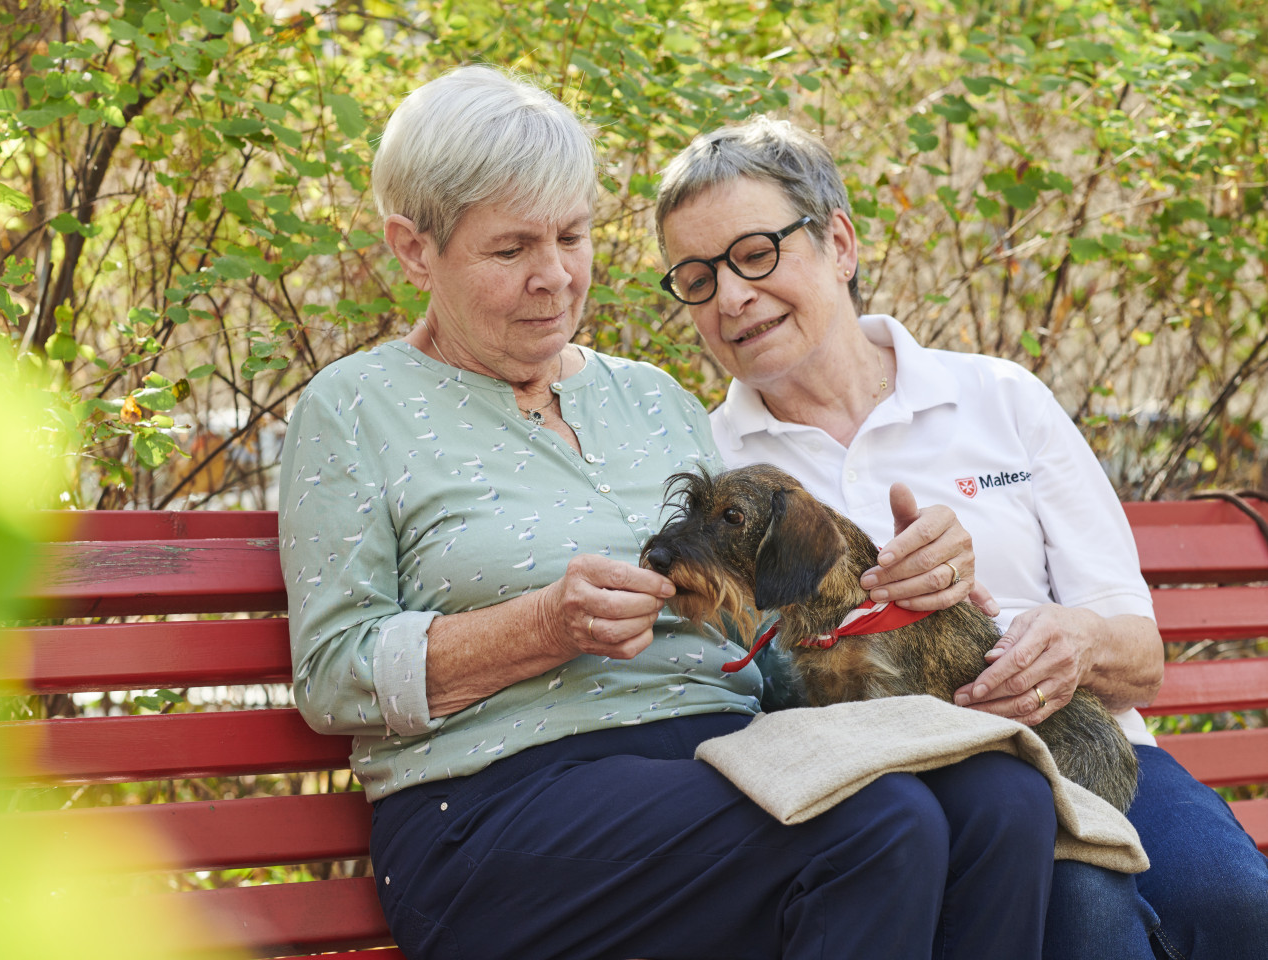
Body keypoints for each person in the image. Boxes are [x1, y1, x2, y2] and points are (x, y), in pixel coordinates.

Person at [278, 65, 1061, 960]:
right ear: (414, 249)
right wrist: (540, 626)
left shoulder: (650, 399)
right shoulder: (354, 408)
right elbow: (333, 673)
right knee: (873, 825)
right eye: (511, 250)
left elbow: (760, 629)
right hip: (495, 810)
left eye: (572, 237)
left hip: (727, 761)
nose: (556, 277)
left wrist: (903, 598)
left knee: (1002, 803)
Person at [653, 115, 1268, 960]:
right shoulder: (711, 469)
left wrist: (1076, 645)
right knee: (1086, 911)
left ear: (838, 241)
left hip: (1087, 741)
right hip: (914, 787)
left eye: (756, 253)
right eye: (696, 276)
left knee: (1237, 905)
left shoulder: (999, 396)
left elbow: (1141, 655)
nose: (730, 297)